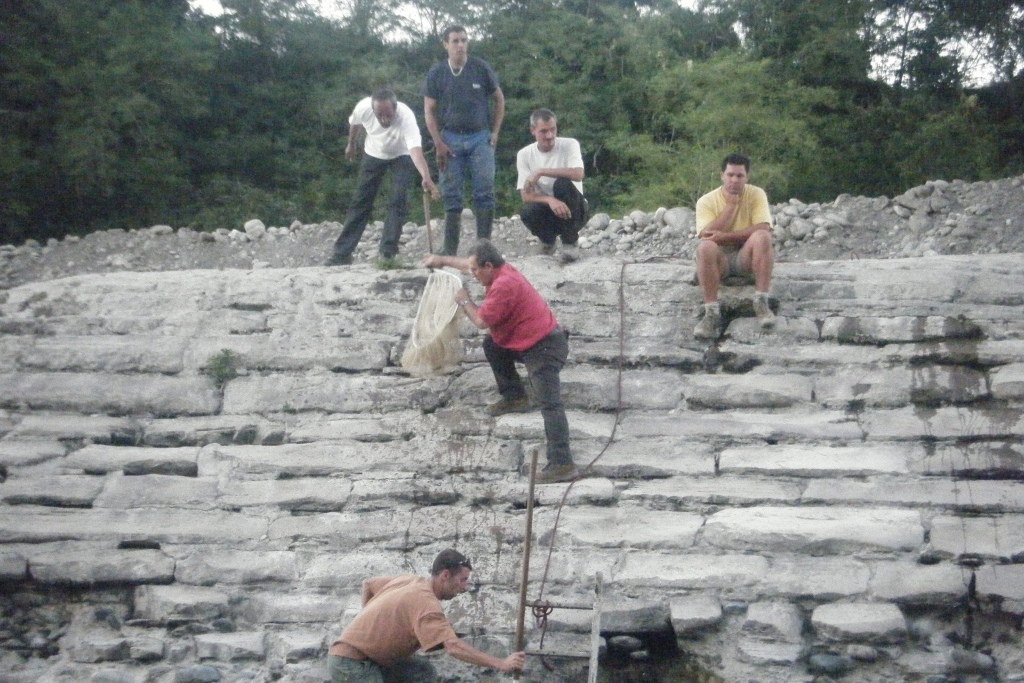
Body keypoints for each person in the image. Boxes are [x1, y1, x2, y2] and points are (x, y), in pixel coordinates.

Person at [423, 240, 579, 485]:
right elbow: (466, 264)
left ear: (488, 266)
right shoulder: (499, 270)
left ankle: (562, 463)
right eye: (471, 271)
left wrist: (464, 301)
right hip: (525, 341)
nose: (472, 274)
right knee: (493, 346)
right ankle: (514, 396)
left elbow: (481, 321)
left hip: (545, 347)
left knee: (550, 404)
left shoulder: (504, 285)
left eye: (476, 271)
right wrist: (440, 260)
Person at [326, 549, 524, 683]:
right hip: (352, 664)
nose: (465, 587)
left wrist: (372, 627)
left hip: (369, 658)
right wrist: (501, 663)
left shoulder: (410, 580)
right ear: (445, 576)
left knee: (422, 671)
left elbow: (368, 584)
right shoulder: (427, 604)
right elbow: (453, 647)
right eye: (462, 580)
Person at [327, 88, 439, 268]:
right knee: (361, 201)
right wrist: (351, 144)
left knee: (397, 201)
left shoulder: (406, 117)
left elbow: (415, 151)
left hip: (401, 154)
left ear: (396, 109)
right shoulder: (363, 108)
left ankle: (387, 254)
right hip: (374, 153)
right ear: (373, 110)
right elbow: (355, 124)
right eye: (380, 115)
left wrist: (425, 176)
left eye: (388, 114)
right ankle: (342, 253)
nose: (385, 119)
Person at [423, 25, 505, 256]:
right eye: (455, 40)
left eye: (464, 40)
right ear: (445, 44)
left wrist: (495, 131)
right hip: (450, 137)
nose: (460, 45)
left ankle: (484, 247)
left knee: (484, 191)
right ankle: (449, 248)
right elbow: (429, 110)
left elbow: (499, 99)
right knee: (451, 193)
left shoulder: (480, 68)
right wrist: (437, 141)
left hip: (480, 136)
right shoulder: (437, 72)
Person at [692, 153, 776, 340]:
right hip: (719, 259)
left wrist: (726, 236)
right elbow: (706, 235)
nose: (734, 180)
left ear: (747, 177)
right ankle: (711, 312)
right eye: (730, 175)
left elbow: (763, 226)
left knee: (762, 237)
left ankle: (761, 301)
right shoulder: (706, 201)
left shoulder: (756, 194)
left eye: (739, 176)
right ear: (722, 175)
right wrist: (730, 207)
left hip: (745, 256)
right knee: (705, 248)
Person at [516, 108, 588, 263]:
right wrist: (550, 200)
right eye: (543, 131)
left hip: (574, 208)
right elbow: (526, 195)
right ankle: (548, 242)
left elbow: (578, 174)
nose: (549, 136)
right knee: (528, 210)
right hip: (549, 211)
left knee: (562, 184)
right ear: (533, 131)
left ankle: (570, 242)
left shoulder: (570, 144)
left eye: (552, 129)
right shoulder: (524, 154)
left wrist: (541, 171)